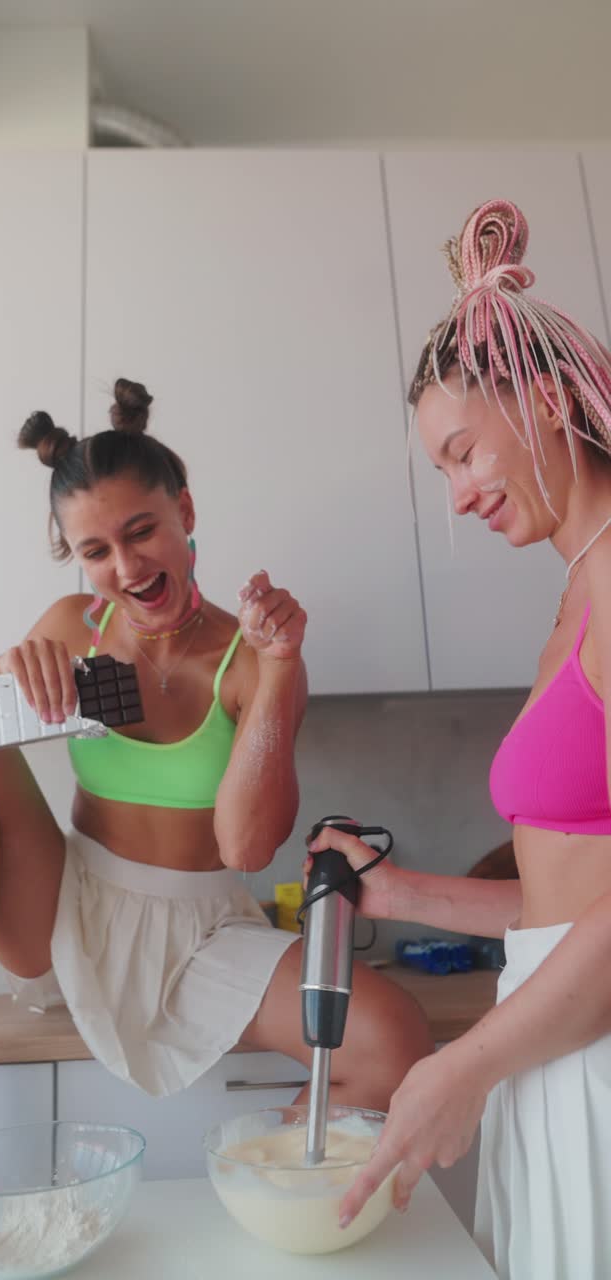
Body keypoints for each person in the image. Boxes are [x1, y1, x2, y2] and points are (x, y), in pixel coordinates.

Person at [0, 377, 432, 1212]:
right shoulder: (79, 625)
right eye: (97, 551)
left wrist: (280, 668)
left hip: (203, 932)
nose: (126, 567)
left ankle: (273, 1188)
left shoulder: (251, 657)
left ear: (185, 512)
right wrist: (4, 678)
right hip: (67, 911)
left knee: (394, 1035)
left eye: (142, 532)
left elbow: (248, 848)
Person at [307, 199, 611, 1279]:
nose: (458, 493)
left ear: (549, 397)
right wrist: (400, 892)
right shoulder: (577, 589)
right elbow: (564, 903)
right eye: (439, 470)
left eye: (463, 450)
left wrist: (465, 1066)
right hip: (557, 1040)